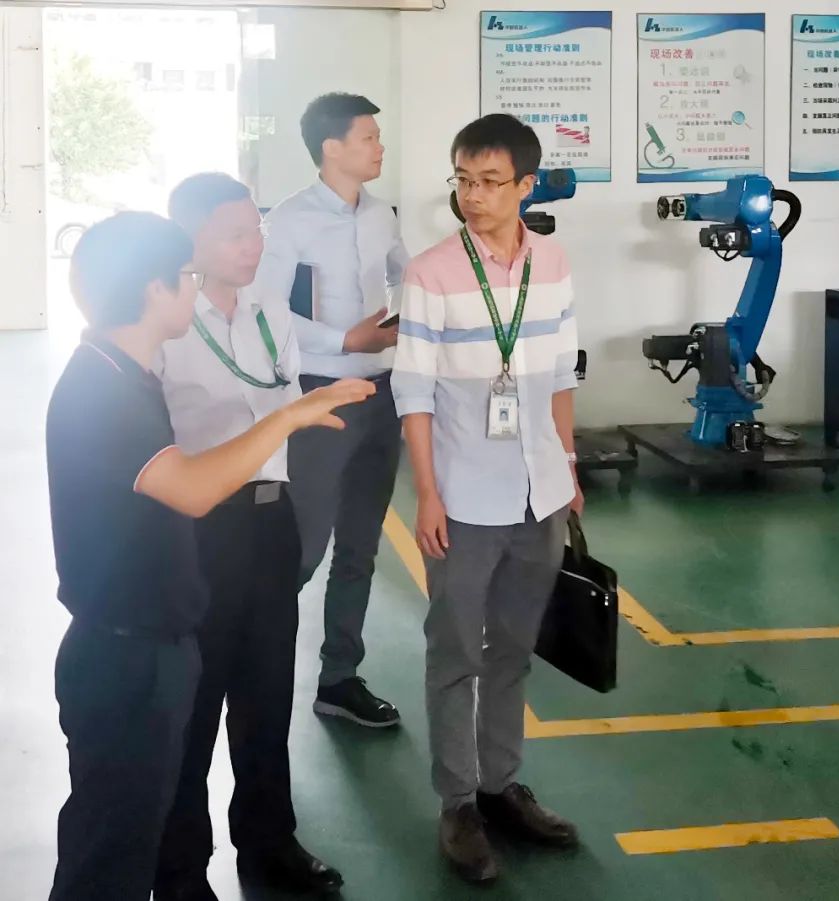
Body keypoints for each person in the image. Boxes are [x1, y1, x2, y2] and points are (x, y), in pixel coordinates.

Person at [46, 212, 374, 901]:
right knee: (109, 848)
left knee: (125, 830)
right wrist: (288, 416)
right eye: (186, 275)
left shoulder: (123, 373)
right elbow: (192, 489)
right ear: (153, 289)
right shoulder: (103, 389)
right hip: (125, 651)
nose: (194, 288)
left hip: (152, 635)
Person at [391, 113, 585, 885]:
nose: (473, 196)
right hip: (465, 495)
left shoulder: (554, 263)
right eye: (464, 180)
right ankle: (458, 802)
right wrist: (427, 493)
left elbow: (562, 376)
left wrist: (568, 467)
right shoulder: (432, 272)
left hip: (539, 491)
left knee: (512, 649)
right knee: (455, 653)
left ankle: (502, 785)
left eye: (491, 182)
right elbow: (412, 392)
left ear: (526, 186)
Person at [152, 173, 342, 900]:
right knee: (194, 705)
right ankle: (180, 870)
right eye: (235, 234)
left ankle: (268, 842)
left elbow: (283, 406)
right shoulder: (168, 324)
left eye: (256, 229)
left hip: (270, 521)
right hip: (199, 529)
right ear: (191, 240)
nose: (253, 245)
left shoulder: (270, 309)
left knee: (266, 695)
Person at [254, 92, 407, 729]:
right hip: (319, 397)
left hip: (382, 395)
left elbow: (408, 277)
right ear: (332, 148)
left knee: (360, 550)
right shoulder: (290, 221)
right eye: (369, 137)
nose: (379, 147)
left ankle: (339, 679)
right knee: (305, 547)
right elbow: (265, 311)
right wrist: (345, 340)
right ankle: (252, 667)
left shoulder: (382, 215)